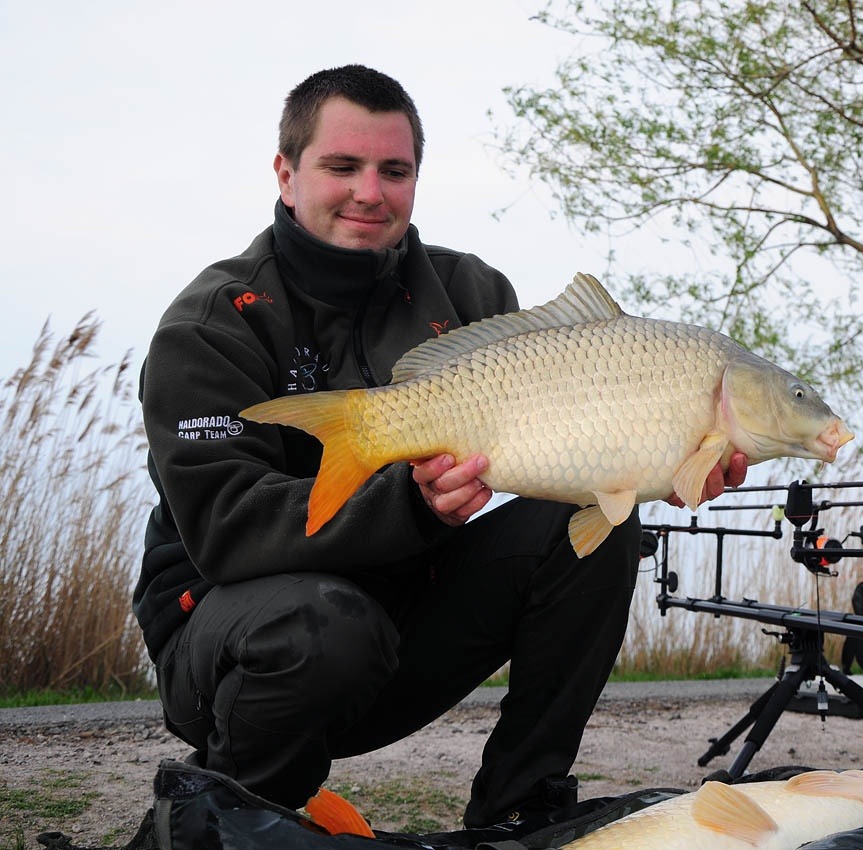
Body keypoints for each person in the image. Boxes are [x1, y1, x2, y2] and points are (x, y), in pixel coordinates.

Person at [133, 64, 747, 835]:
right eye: (342, 167)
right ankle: (236, 812)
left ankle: (519, 811)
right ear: (286, 174)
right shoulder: (213, 322)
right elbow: (225, 529)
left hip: (403, 625)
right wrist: (408, 502)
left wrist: (664, 464)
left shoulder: (469, 294)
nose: (370, 192)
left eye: (395, 170)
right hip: (233, 646)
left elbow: (562, 451)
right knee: (322, 620)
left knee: (593, 534)